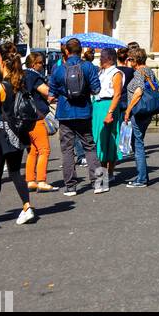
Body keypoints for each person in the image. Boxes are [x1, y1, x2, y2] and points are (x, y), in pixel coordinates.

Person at [49, 37, 105, 197]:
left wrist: (62, 93)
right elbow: (96, 89)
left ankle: (71, 187)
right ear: (80, 51)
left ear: (66, 51)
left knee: (67, 149)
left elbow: (51, 95)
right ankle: (98, 183)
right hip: (83, 111)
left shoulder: (58, 69)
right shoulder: (88, 67)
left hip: (65, 113)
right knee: (89, 146)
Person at [0, 52, 36, 226]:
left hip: (0, 133)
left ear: (4, 66)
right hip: (18, 133)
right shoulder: (20, 86)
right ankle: (27, 206)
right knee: (15, 172)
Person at [122, 48, 159, 187]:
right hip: (148, 111)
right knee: (138, 142)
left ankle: (142, 178)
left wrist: (128, 110)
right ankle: (142, 176)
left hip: (139, 111)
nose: (127, 61)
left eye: (129, 59)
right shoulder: (149, 71)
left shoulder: (138, 73)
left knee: (138, 144)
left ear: (135, 60)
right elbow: (158, 88)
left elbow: (138, 91)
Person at [92, 48, 123, 186]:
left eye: (102, 57)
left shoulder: (116, 73)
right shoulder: (101, 72)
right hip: (97, 106)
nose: (100, 59)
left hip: (108, 106)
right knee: (98, 139)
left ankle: (108, 173)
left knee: (108, 140)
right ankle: (102, 174)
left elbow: (117, 94)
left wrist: (110, 112)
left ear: (109, 58)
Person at [24, 53, 54, 192]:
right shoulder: (34, 76)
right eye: (40, 63)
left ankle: (30, 180)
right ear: (33, 64)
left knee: (32, 150)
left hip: (24, 118)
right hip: (37, 116)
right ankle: (41, 180)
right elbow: (46, 91)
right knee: (44, 149)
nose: (42, 65)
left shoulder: (22, 75)